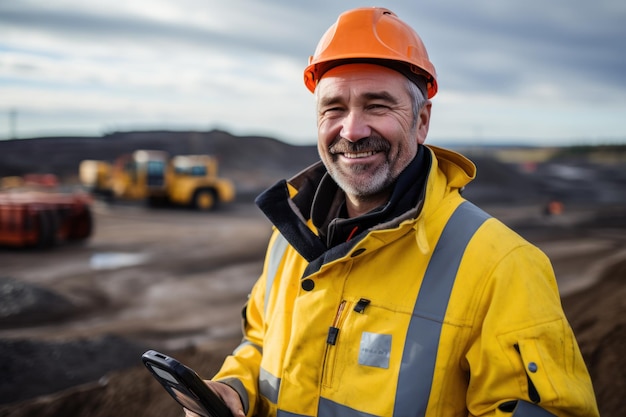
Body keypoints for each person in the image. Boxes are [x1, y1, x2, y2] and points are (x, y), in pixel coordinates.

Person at [186, 7, 599, 417]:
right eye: (333, 108)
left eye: (377, 105)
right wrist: (233, 389)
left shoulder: (503, 266)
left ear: (421, 121)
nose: (351, 130)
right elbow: (260, 341)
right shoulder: (290, 237)